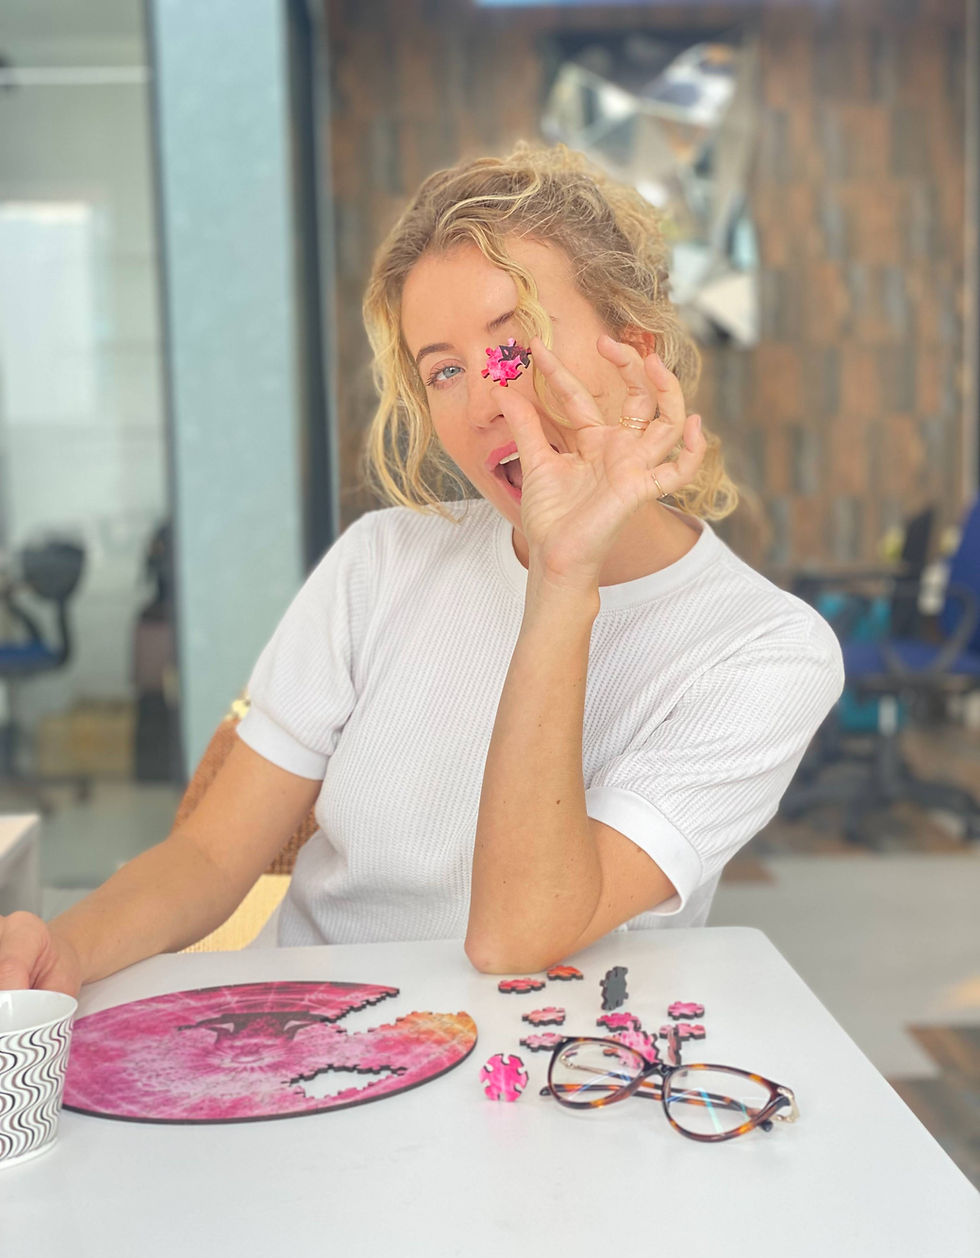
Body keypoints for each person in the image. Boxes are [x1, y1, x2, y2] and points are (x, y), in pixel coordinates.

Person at [0, 142, 843, 996]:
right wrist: (64, 950)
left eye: (514, 351)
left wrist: (561, 580)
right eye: (444, 370)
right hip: (303, 1047)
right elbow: (213, 855)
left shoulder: (767, 651)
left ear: (636, 349)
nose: (483, 405)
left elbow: (517, 933)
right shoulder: (379, 563)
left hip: (553, 1085)